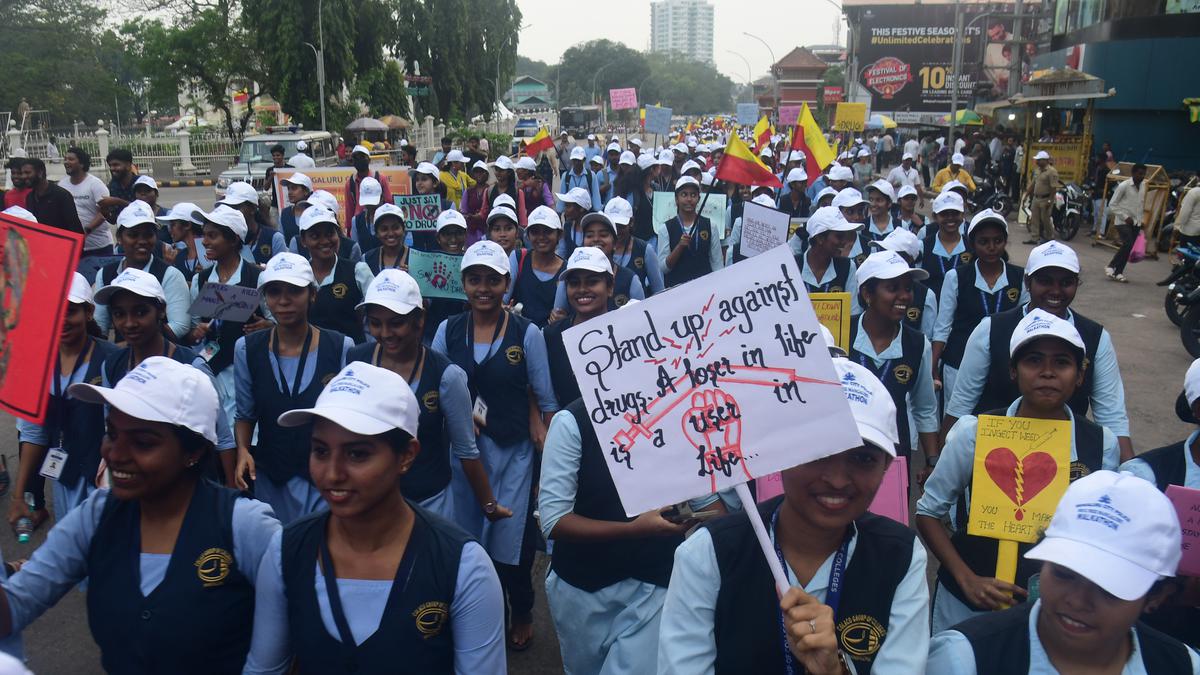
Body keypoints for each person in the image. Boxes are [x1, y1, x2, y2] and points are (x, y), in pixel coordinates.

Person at [0, 357, 280, 673]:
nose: (114, 454)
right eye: (111, 433)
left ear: (194, 451)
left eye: (143, 443)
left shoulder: (244, 526)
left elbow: (274, 657)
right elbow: (18, 602)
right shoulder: (96, 514)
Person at [659, 359, 931, 673]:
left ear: (886, 466)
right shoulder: (708, 555)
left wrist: (834, 669)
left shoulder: (901, 557)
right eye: (818, 452)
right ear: (781, 450)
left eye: (863, 458)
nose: (838, 479)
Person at [242, 362, 507, 673]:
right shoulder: (285, 551)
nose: (333, 474)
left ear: (407, 455)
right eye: (320, 451)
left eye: (357, 454)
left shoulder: (463, 567)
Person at [916, 310, 1120, 633]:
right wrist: (966, 578)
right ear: (1013, 371)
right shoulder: (974, 433)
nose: (1048, 373)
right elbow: (928, 512)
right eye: (1034, 361)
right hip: (968, 605)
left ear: (1081, 375)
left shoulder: (1100, 444)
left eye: (1062, 363)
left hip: (1054, 614)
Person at [927, 470, 1200, 674]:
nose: (1077, 600)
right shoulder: (965, 659)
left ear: (1155, 596)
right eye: (1063, 573)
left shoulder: (1183, 667)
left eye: (1108, 588)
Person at [433, 240, 557, 652]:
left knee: (513, 549)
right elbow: (433, 390)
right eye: (474, 279)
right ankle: (478, 618)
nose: (483, 288)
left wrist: (545, 462)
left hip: (513, 455)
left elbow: (545, 397)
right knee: (465, 545)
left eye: (492, 279)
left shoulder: (528, 333)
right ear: (463, 283)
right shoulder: (447, 330)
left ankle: (521, 608)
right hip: (462, 459)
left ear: (507, 283)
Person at [944, 240, 1132, 461]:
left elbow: (1112, 415)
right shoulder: (992, 329)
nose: (1056, 291)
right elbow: (962, 403)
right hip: (995, 456)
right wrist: (939, 460)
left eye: (1066, 282)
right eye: (1045, 281)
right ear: (1027, 282)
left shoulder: (1096, 337)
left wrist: (1129, 472)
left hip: (1063, 458)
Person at [348, 271, 507, 529]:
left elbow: (466, 450)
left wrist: (488, 504)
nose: (385, 333)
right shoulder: (356, 361)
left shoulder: (447, 376)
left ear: (419, 319)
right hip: (370, 502)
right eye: (376, 323)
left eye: (396, 323)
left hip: (428, 504)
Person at [233, 252, 354, 524]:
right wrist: (242, 450)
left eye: (294, 291)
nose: (284, 301)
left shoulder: (339, 348)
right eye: (274, 292)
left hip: (323, 477)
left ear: (312, 295)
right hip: (269, 474)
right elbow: (245, 413)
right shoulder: (247, 349)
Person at [10, 274, 116, 532]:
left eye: (69, 311)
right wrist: (20, 494)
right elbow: (34, 432)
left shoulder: (111, 360)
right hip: (63, 477)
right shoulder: (37, 365)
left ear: (89, 312)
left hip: (103, 480)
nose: (61, 321)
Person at [1120, 358, 1200, 647]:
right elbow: (1117, 556)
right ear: (1196, 409)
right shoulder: (1145, 475)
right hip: (1158, 631)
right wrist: (1170, 586)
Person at [852, 251, 939, 466]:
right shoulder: (841, 333)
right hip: (841, 452)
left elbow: (924, 407)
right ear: (867, 293)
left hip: (892, 457)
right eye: (892, 288)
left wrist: (931, 460)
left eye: (908, 288)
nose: (905, 296)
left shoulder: (918, 345)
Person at [932, 209, 1027, 400]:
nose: (991, 247)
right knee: (960, 420)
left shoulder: (1020, 277)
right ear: (972, 244)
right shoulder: (957, 277)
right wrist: (933, 366)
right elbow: (943, 326)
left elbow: (1025, 324)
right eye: (983, 242)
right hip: (959, 362)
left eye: (997, 241)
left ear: (1005, 241)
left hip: (1004, 364)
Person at [92, 200, 191, 341]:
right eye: (133, 235)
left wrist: (132, 345)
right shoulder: (105, 274)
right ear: (119, 238)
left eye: (148, 235)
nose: (142, 241)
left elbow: (179, 326)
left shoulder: (170, 275)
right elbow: (100, 326)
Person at [542, 247, 614, 407]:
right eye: (574, 283)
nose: (582, 289)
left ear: (610, 287)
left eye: (592, 281)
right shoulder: (551, 336)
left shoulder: (627, 331)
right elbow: (541, 390)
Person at [552, 198, 646, 315]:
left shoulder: (630, 280)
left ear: (615, 243)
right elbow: (558, 317)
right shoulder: (568, 277)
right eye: (590, 235)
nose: (596, 239)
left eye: (603, 234)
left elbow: (643, 321)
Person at [296, 205, 374, 344]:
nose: (325, 241)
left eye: (329, 234)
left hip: (351, 357)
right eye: (315, 236)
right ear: (303, 240)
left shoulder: (358, 271)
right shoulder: (296, 276)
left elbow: (376, 314)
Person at [796, 206, 862, 315]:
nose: (845, 242)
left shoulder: (848, 267)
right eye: (839, 237)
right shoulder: (792, 266)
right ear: (820, 238)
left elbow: (853, 313)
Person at [661, 177, 723, 287]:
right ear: (676, 199)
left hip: (704, 291)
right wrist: (679, 247)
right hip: (675, 291)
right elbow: (664, 268)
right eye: (684, 195)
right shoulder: (665, 228)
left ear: (699, 199)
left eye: (693, 195)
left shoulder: (710, 226)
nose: (689, 199)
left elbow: (717, 265)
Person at [507, 205, 563, 328]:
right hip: (517, 336)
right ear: (528, 235)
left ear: (559, 235)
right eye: (535, 232)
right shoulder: (518, 258)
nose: (541, 237)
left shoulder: (566, 271)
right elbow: (503, 300)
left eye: (547, 231)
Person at [422, 209, 470, 345]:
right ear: (438, 237)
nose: (453, 239)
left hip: (465, 332)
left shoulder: (472, 261)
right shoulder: (427, 261)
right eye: (447, 234)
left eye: (458, 233)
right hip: (432, 332)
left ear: (465, 235)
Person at [59, 147, 112, 256]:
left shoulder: (95, 184)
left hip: (99, 247)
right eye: (65, 159)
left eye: (71, 159)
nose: (66, 162)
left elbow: (104, 213)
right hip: (73, 247)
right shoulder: (62, 185)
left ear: (82, 164)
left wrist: (86, 231)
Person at [920, 191, 972, 298]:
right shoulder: (923, 246)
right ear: (935, 216)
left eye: (955, 213)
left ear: (963, 215)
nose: (950, 218)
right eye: (944, 214)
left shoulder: (972, 247)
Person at [220, 182, 286, 266]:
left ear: (253, 208)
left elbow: (283, 272)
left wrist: (263, 270)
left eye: (236, 207)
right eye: (228, 207)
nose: (231, 212)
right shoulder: (222, 238)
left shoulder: (275, 238)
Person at [611, 197, 664, 298]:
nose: (617, 230)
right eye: (613, 226)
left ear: (631, 222)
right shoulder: (598, 250)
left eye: (621, 226)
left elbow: (659, 290)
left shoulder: (645, 250)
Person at [1105, 162, 1148, 283]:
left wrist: (1140, 221)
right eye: (1140, 174)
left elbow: (1140, 205)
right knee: (1128, 243)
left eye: (1144, 174)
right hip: (1122, 221)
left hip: (1135, 223)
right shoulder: (1124, 186)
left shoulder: (1144, 185)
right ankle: (1111, 265)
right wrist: (1125, 216)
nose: (1142, 176)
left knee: (1128, 248)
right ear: (1133, 173)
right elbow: (1112, 204)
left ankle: (1118, 272)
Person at [20, 158, 82, 233]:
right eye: (22, 173)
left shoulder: (61, 195)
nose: (23, 176)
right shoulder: (30, 197)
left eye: (27, 173)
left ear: (40, 173)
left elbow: (75, 228)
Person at [342, 146, 392, 226]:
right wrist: (350, 231)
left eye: (362, 157)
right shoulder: (350, 183)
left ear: (369, 160)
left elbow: (389, 202)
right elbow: (349, 210)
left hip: (379, 222)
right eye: (356, 157)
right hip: (359, 225)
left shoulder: (380, 179)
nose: (359, 160)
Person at [362, 203, 411, 274]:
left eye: (395, 228)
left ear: (403, 229)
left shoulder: (415, 259)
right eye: (384, 229)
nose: (390, 233)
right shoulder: (367, 259)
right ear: (377, 233)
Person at [1024, 150, 1060, 247]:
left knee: (1045, 219)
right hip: (1036, 198)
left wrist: (1050, 200)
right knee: (1034, 219)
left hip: (1046, 198)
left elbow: (1053, 187)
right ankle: (1034, 237)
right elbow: (1033, 184)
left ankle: (1050, 237)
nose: (1037, 162)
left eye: (1039, 160)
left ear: (1045, 160)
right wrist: (1026, 195)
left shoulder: (1052, 172)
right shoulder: (1037, 170)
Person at [559, 147, 603, 216]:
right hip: (571, 214)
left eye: (579, 160)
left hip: (586, 213)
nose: (576, 162)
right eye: (574, 160)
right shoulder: (566, 176)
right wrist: (559, 212)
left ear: (584, 160)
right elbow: (562, 198)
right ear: (571, 160)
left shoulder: (591, 176)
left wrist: (598, 212)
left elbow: (595, 196)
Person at [554, 187, 592, 258]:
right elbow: (561, 252)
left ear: (581, 208)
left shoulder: (593, 229)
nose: (565, 210)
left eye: (568, 206)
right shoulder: (567, 226)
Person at [98, 148, 136, 221]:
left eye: (116, 165)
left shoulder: (141, 183)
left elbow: (144, 209)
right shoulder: (111, 187)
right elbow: (113, 220)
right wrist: (104, 211)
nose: (112, 168)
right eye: (110, 165)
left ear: (128, 165)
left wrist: (118, 201)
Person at [277, 172, 312, 247]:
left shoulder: (317, 213)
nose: (289, 192)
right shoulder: (284, 214)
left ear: (306, 191)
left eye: (294, 188)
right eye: (288, 188)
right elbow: (281, 240)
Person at [461, 160, 491, 246]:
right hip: (471, 231)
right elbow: (464, 210)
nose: (479, 175)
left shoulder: (491, 190)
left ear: (486, 174)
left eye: (481, 172)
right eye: (476, 172)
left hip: (486, 229)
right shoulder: (468, 191)